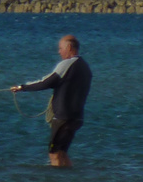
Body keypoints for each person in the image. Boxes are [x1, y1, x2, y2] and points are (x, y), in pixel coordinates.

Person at [11, 34, 92, 168]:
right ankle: (68, 179)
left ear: (69, 47)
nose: (59, 52)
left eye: (60, 48)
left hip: (63, 117)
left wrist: (21, 87)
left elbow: (46, 82)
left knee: (54, 153)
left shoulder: (67, 64)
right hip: (76, 117)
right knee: (62, 152)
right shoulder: (85, 67)